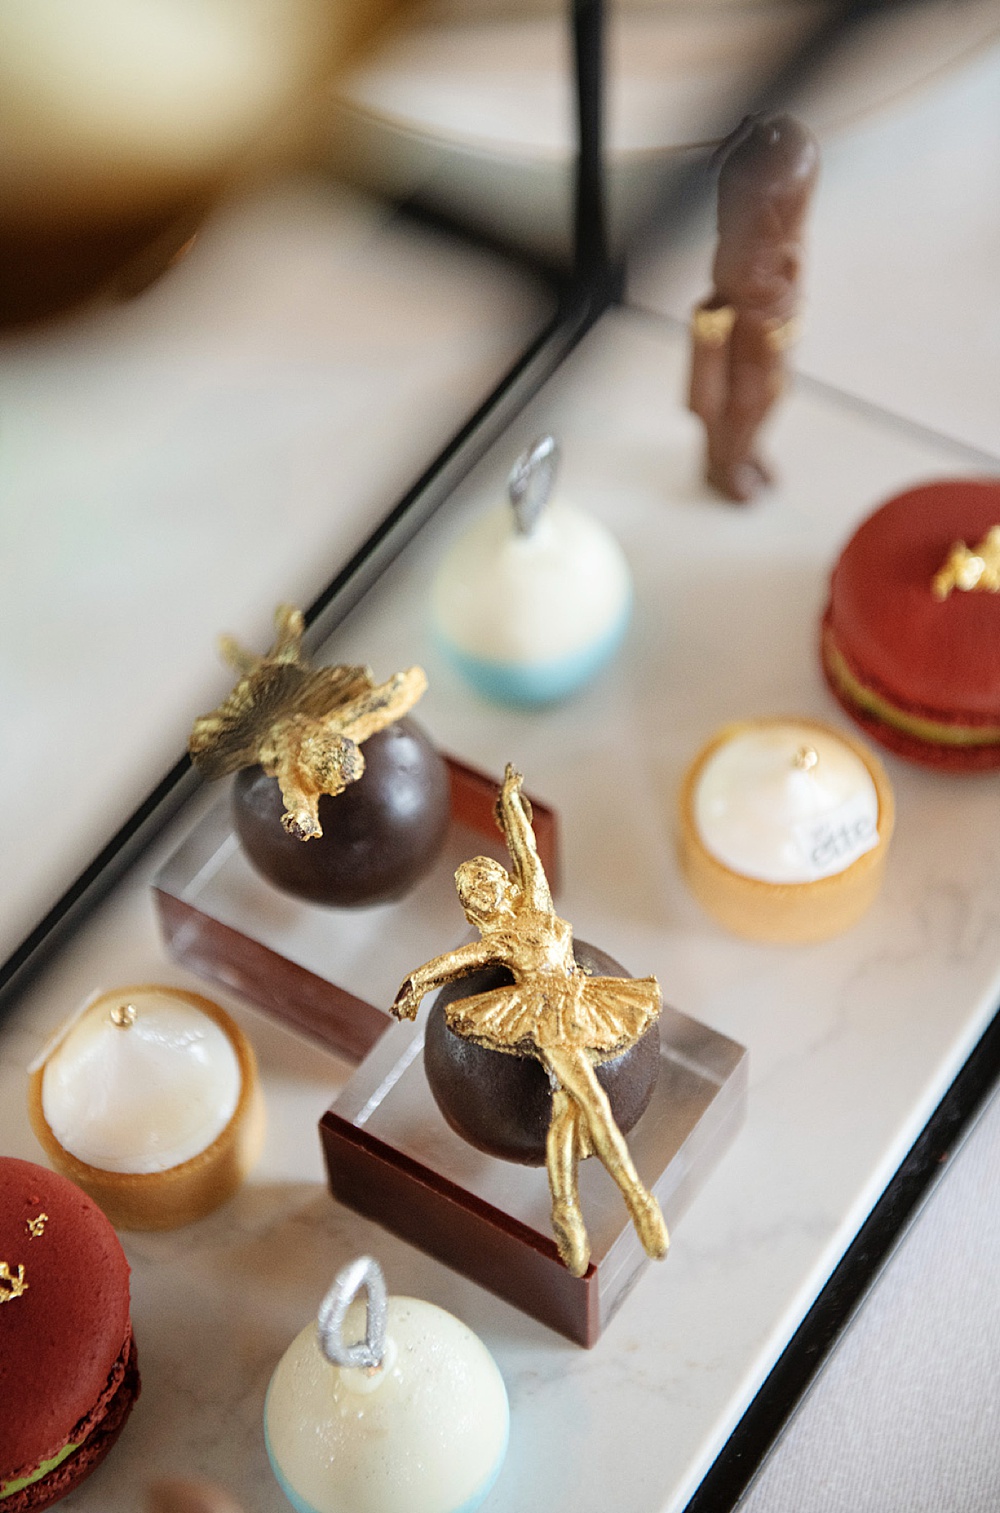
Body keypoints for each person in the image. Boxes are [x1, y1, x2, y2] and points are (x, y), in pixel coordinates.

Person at [393, 764, 668, 1277]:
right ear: (476, 907)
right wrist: (414, 986)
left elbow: (527, 852)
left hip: (584, 996)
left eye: (488, 878)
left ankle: (565, 1208)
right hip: (541, 1014)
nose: (488, 887)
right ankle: (638, 1198)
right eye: (476, 890)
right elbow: (450, 966)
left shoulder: (536, 904)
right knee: (591, 1101)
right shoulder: (498, 942)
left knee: (567, 1114)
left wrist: (513, 804)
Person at [689, 114, 820, 503]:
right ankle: (722, 466)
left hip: (771, 364)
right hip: (740, 378)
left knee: (762, 411)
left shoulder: (784, 261)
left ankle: (745, 453)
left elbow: (788, 260)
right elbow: (708, 352)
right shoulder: (729, 293)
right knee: (735, 418)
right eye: (760, 264)